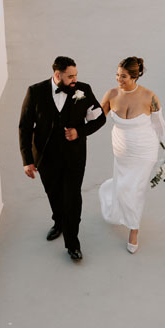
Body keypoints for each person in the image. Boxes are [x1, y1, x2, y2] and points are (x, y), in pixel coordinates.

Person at [19, 55, 105, 262]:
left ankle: (73, 243)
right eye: (70, 76)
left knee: (72, 198)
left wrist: (79, 131)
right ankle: (58, 222)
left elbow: (99, 118)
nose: (75, 79)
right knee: (53, 194)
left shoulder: (83, 90)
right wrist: (27, 160)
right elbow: (25, 127)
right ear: (57, 75)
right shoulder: (35, 91)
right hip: (45, 157)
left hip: (74, 156)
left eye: (76, 75)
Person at [98, 56, 165, 253]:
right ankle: (114, 198)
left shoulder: (150, 97)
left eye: (123, 76)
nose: (118, 80)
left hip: (144, 151)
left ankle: (134, 230)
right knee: (122, 186)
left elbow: (159, 125)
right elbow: (97, 117)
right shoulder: (111, 94)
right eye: (117, 75)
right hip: (121, 151)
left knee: (135, 190)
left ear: (134, 76)